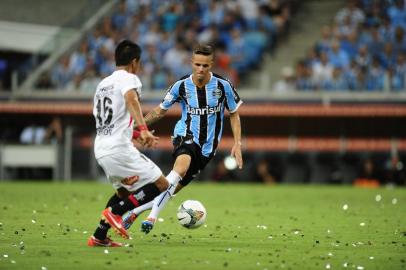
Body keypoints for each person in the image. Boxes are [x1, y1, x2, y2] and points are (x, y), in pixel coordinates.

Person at [121, 44, 244, 234]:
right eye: (197, 65)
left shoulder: (223, 86)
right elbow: (159, 111)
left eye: (205, 65)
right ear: (192, 63)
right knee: (180, 169)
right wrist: (138, 127)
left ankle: (135, 211)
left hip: (207, 148)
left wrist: (237, 143)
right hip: (184, 134)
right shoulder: (181, 86)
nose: (201, 69)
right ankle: (152, 218)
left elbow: (234, 114)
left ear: (211, 64)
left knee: (170, 189)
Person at [87, 39, 172, 247]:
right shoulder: (129, 79)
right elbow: (131, 100)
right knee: (162, 184)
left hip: (102, 148)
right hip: (118, 149)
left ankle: (99, 236)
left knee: (123, 193)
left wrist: (135, 134)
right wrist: (143, 129)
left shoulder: (103, 84)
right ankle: (115, 213)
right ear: (135, 62)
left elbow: (111, 120)